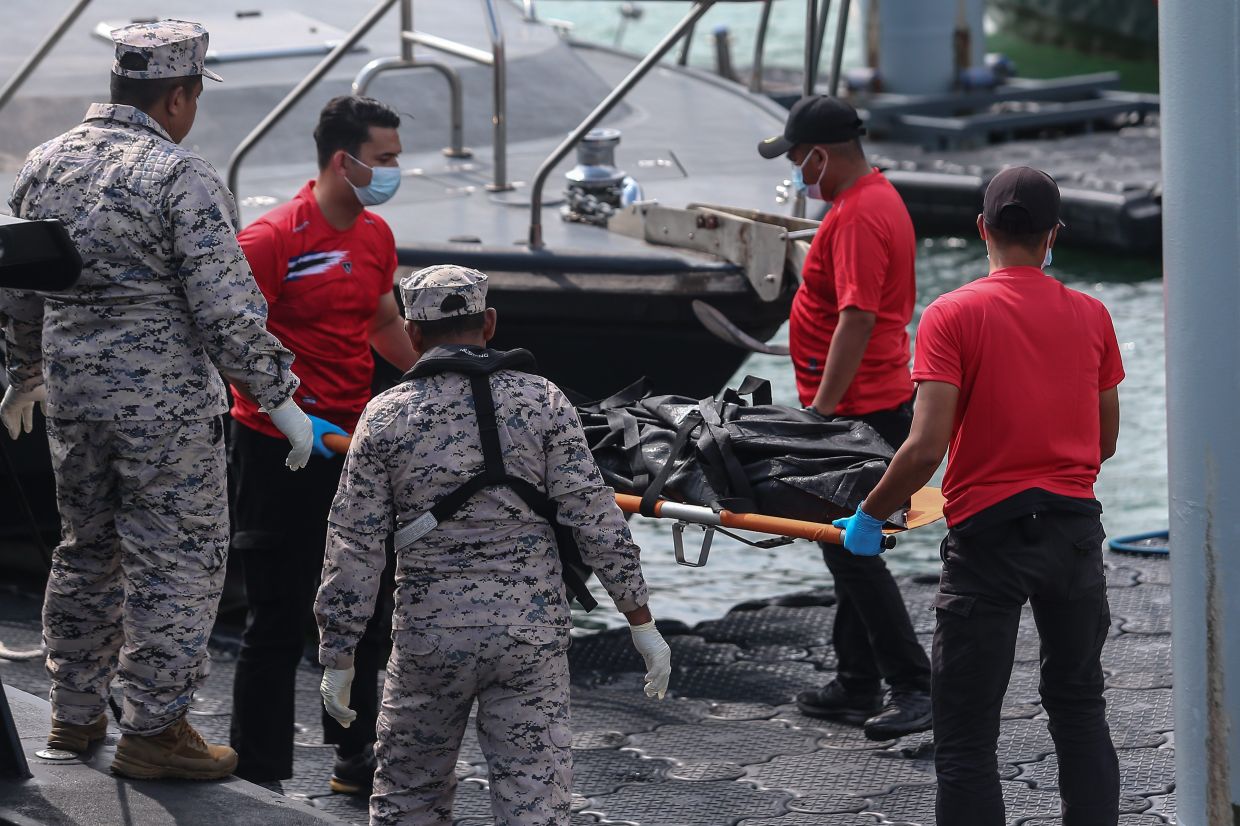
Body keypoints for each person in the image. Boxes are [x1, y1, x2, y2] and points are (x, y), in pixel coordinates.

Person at [0, 20, 314, 781]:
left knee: (87, 547)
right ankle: (154, 728)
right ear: (178, 95)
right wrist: (280, 399)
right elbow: (227, 309)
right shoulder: (180, 175)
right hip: (162, 400)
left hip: (74, 393)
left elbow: (16, 274)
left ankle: (74, 716)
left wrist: (24, 371)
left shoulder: (45, 162)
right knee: (179, 560)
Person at [313, 265, 673, 825]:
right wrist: (641, 622)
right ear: (489, 323)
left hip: (431, 636)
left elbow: (353, 546)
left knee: (409, 795)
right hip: (529, 635)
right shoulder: (543, 401)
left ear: (411, 335)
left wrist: (338, 653)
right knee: (534, 798)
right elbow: (596, 519)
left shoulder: (384, 417)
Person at [833, 167, 1123, 825]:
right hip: (1075, 532)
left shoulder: (951, 314)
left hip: (989, 539)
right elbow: (1104, 442)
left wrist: (869, 514)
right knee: (1079, 707)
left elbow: (925, 448)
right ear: (1054, 234)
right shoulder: (1093, 316)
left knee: (967, 735)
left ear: (981, 229)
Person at [227, 94, 417, 794]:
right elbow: (230, 346)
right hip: (278, 447)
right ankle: (258, 773)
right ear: (346, 160)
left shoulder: (376, 237)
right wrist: (289, 417)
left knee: (363, 609)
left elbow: (382, 322)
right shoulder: (271, 239)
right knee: (276, 614)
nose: (397, 171)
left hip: (356, 446)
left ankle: (352, 758)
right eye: (387, 159)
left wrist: (444, 381)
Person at [757, 95, 932, 739]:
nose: (798, 172)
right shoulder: (875, 198)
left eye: (799, 159)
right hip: (876, 401)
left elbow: (856, 317)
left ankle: (913, 684)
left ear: (821, 155)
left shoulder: (858, 215)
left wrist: (821, 414)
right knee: (842, 545)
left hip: (859, 409)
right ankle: (857, 679)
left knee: (854, 552)